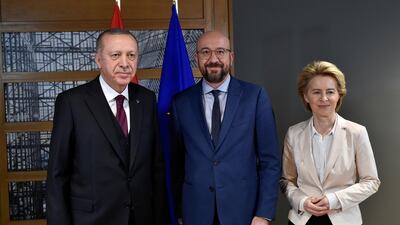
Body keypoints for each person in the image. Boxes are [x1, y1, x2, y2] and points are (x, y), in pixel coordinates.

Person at [47, 29, 167, 225]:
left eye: (131, 55)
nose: (125, 63)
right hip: (91, 218)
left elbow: (156, 167)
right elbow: (57, 174)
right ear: (98, 60)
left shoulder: (146, 99)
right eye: (115, 55)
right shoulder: (71, 102)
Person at [171, 31, 281, 225]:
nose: (213, 59)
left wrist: (264, 214)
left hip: (244, 214)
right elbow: (178, 163)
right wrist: (180, 212)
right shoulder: (181, 103)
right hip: (195, 213)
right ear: (196, 58)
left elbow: (270, 161)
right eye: (205, 52)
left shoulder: (254, 97)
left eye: (220, 51)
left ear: (231, 57)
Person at [280, 61, 380, 225]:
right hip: (302, 219)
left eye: (330, 92)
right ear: (306, 96)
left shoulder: (357, 133)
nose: (324, 98)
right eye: (316, 92)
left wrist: (334, 200)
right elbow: (286, 181)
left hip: (344, 219)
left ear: (339, 94)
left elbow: (371, 182)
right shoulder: (293, 133)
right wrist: (302, 201)